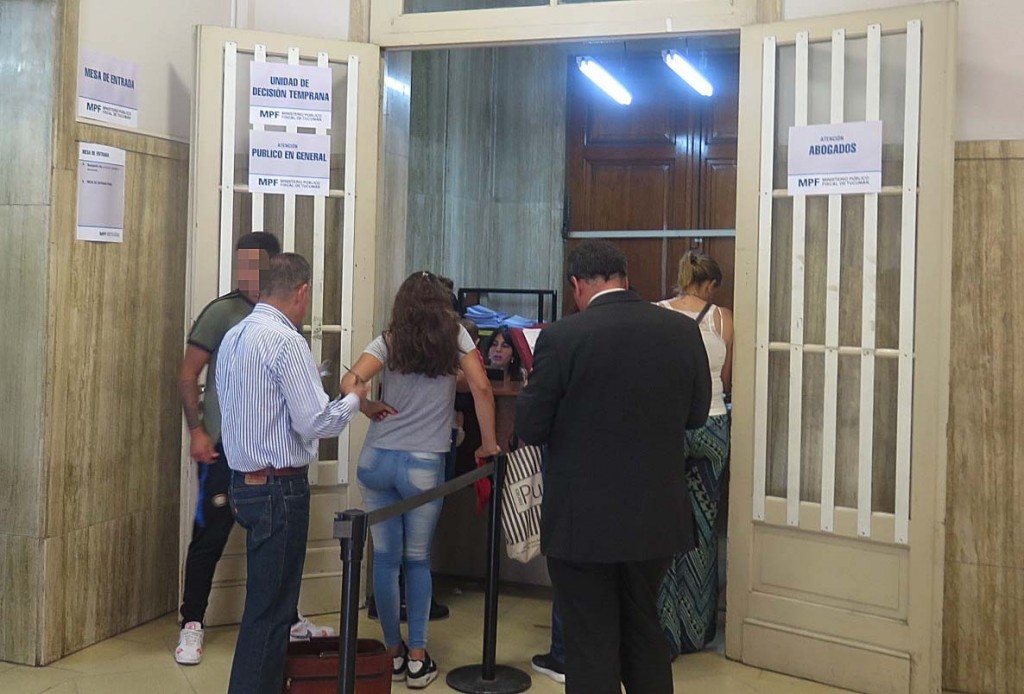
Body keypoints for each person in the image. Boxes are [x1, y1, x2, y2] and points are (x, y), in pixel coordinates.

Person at [515, 240, 712, 694]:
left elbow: (531, 427)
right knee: (644, 629)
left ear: (577, 285)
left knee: (590, 641)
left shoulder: (562, 337)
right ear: (625, 277)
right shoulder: (681, 331)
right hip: (655, 515)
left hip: (582, 520)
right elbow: (697, 414)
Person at [175, 232, 335, 666]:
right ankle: (192, 621)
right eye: (240, 264)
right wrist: (197, 430)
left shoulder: (283, 319)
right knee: (209, 535)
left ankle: (288, 618)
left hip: (272, 459)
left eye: (255, 265)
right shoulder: (222, 313)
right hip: (222, 449)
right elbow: (189, 373)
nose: (246, 273)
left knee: (276, 547)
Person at [217, 253, 368, 694]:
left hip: (242, 483)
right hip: (278, 489)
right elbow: (316, 423)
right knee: (273, 612)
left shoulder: (234, 335)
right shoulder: (286, 342)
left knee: (263, 608)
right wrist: (354, 400)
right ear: (302, 292)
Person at [341, 271, 501, 689]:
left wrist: (368, 407)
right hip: (423, 465)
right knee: (416, 559)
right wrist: (487, 444)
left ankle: (391, 654)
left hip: (376, 460)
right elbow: (482, 388)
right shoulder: (455, 337)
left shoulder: (390, 339)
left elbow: (350, 382)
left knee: (385, 559)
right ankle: (416, 659)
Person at [655, 250, 734, 655]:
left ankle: (664, 629)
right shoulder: (723, 318)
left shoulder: (657, 313)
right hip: (712, 423)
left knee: (665, 526)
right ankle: (698, 630)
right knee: (703, 527)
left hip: (669, 427)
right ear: (710, 284)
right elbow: (726, 379)